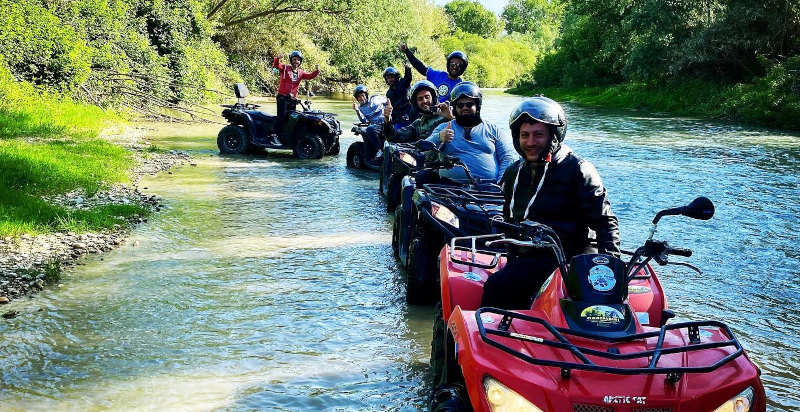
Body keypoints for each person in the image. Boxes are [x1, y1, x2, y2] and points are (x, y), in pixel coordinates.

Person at [480, 96, 621, 310]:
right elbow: (509, 219)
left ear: (554, 136)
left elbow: (605, 222)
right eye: (524, 135)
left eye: (538, 135)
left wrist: (611, 266)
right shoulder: (513, 172)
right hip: (528, 257)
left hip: (571, 259)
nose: (530, 142)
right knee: (497, 286)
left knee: (498, 286)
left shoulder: (578, 170)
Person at [424, 82, 517, 183]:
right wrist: (439, 137)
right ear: (455, 108)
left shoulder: (493, 130)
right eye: (460, 105)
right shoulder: (444, 128)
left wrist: (501, 182)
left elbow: (507, 157)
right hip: (449, 188)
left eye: (469, 104)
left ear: (477, 106)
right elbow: (423, 150)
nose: (465, 108)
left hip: (490, 188)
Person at [382, 80, 453, 144]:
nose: (424, 101)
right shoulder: (418, 124)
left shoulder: (449, 112)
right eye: (420, 99)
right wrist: (387, 119)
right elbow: (393, 137)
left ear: (433, 98)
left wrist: (450, 118)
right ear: (415, 103)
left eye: (427, 97)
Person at [272, 50, 319, 143]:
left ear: (300, 61)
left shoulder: (301, 72)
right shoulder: (285, 68)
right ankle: (274, 135)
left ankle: (286, 136)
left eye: (298, 60)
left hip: (292, 99)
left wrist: (317, 71)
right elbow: (276, 65)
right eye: (294, 59)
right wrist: (277, 58)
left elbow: (310, 76)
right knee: (281, 117)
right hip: (282, 97)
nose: (296, 61)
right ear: (291, 60)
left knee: (291, 117)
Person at [401, 44, 467, 103]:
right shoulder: (437, 75)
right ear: (448, 64)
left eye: (459, 64)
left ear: (463, 68)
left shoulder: (461, 87)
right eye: (452, 64)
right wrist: (407, 51)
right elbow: (420, 67)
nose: (455, 66)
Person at [352, 85, 386, 159]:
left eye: (362, 95)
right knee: (370, 129)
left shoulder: (375, 98)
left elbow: (388, 101)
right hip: (376, 126)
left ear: (366, 95)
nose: (361, 98)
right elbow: (363, 120)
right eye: (359, 97)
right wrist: (357, 110)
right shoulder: (361, 108)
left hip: (387, 121)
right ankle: (380, 150)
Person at [383, 65, 416, 129]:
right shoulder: (388, 94)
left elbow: (408, 77)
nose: (390, 79)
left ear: (396, 77)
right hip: (399, 119)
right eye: (388, 78)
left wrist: (408, 68)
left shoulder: (403, 83)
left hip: (411, 113)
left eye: (392, 77)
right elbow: (392, 109)